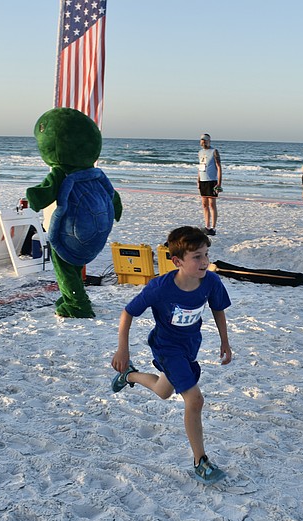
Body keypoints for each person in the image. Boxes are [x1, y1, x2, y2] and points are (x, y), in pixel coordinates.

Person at [111, 226, 233, 485]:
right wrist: (123, 348)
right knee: (195, 399)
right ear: (177, 261)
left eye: (206, 254)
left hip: (190, 346)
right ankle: (201, 462)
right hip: (167, 347)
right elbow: (127, 312)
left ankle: (130, 375)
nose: (204, 262)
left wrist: (225, 341)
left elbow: (218, 309)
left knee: (163, 391)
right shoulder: (160, 288)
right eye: (197, 257)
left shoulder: (211, 281)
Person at [197, 133, 222, 236]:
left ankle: (213, 227)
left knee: (212, 204)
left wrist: (219, 183)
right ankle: (207, 226)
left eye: (205, 140)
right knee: (204, 204)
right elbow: (200, 166)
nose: (204, 142)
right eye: (202, 140)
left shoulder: (214, 151)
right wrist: (198, 180)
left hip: (212, 181)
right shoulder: (200, 152)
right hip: (203, 180)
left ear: (209, 141)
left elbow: (219, 167)